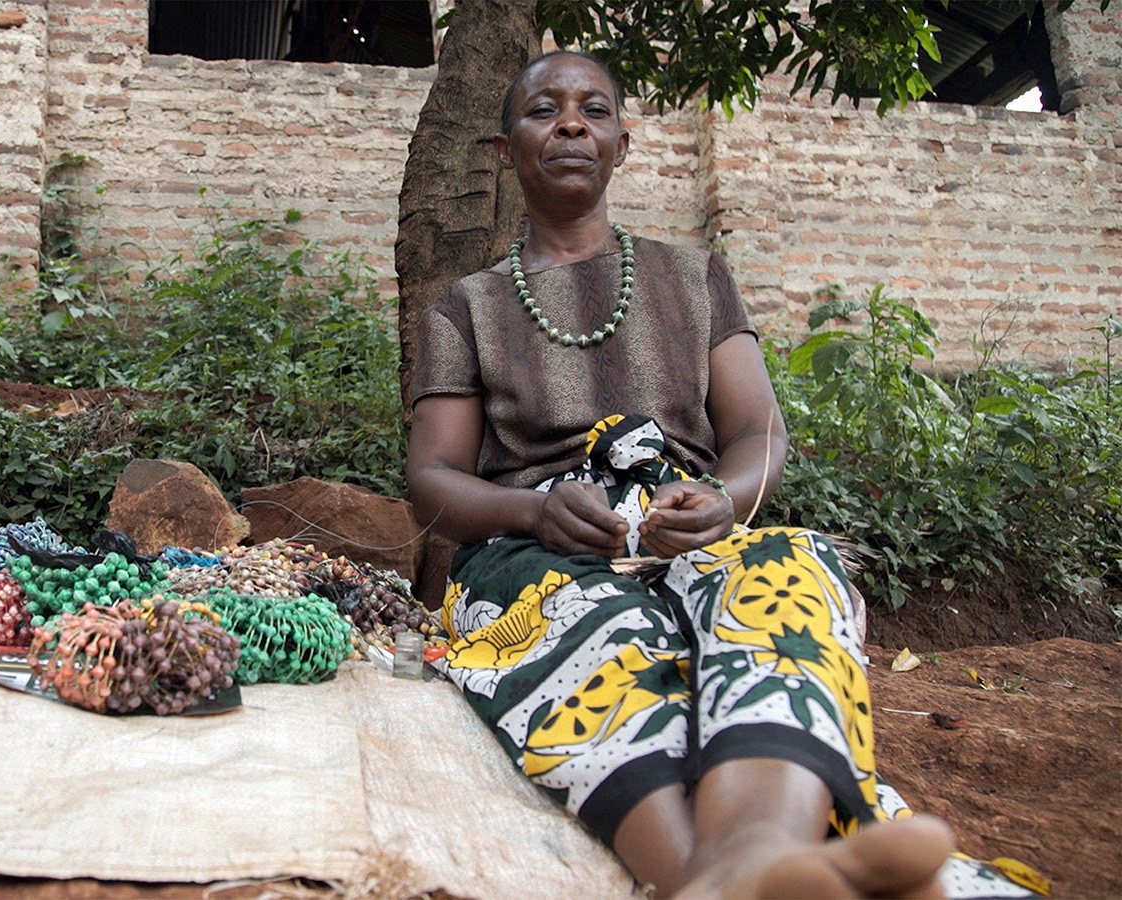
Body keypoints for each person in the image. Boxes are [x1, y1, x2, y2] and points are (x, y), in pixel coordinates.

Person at [405, 50, 1035, 899]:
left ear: (623, 145)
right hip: (539, 545)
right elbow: (434, 479)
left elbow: (757, 430)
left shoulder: (692, 276)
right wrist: (534, 510)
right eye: (543, 110)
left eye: (594, 111)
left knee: (787, 574)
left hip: (691, 525)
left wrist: (726, 501)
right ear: (503, 147)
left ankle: (753, 852)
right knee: (596, 626)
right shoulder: (466, 307)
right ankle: (721, 874)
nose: (570, 125)